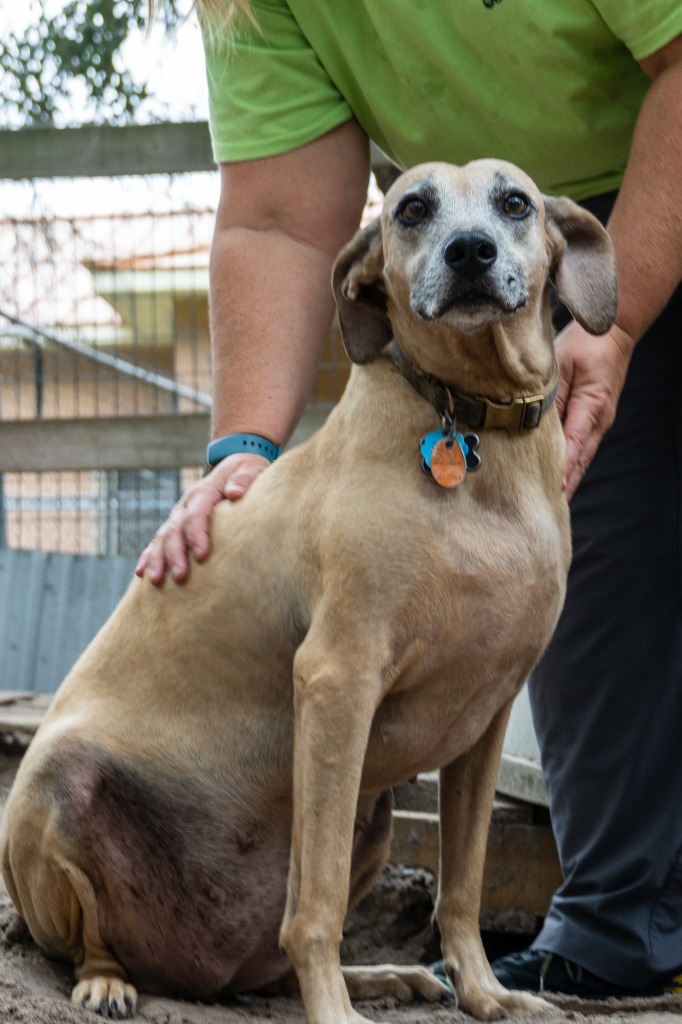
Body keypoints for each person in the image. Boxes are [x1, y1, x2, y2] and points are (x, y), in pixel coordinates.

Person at [137, 0, 682, 999]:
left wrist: (619, 313)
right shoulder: (253, 6)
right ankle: (618, 924)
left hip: (648, 167)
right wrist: (246, 449)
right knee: (587, 554)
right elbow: (275, 217)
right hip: (505, 222)